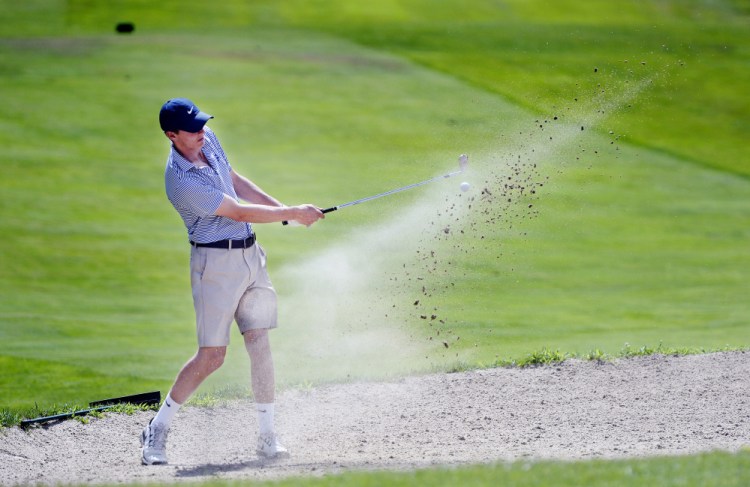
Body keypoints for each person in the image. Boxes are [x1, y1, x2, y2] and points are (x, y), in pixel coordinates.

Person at [140, 98, 324, 465]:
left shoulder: (208, 141)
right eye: (192, 130)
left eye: (202, 125)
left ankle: (267, 436)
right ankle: (156, 430)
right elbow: (235, 209)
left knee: (260, 344)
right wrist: (290, 213)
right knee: (212, 357)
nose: (201, 133)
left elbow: (235, 181)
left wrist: (284, 212)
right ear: (171, 135)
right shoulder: (180, 180)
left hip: (251, 257)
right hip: (215, 266)